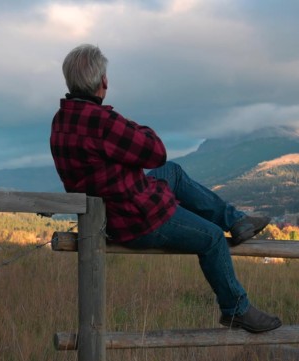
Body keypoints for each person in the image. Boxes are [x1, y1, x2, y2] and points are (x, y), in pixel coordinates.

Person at [50, 43, 282, 333]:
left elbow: (149, 165)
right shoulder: (102, 122)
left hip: (109, 215)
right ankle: (236, 309)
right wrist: (129, 124)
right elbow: (155, 151)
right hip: (138, 219)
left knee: (171, 173)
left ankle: (236, 220)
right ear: (103, 81)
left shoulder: (61, 120)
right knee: (211, 238)